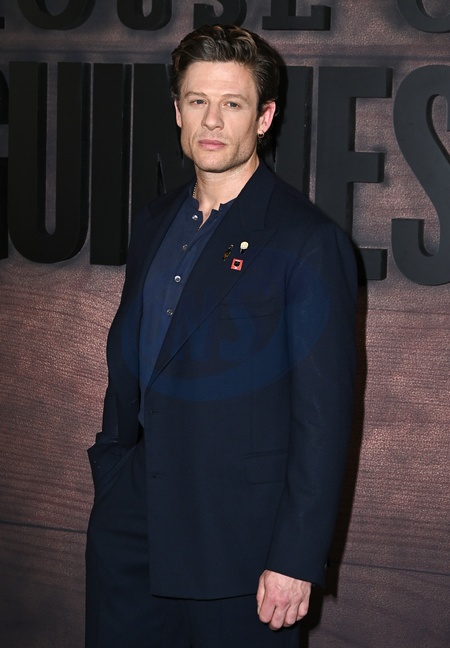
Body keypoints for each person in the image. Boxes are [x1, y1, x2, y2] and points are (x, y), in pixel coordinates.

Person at [85, 24, 357, 648]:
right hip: (131, 525)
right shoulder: (153, 222)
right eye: (198, 100)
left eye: (232, 103)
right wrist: (114, 469)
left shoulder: (307, 241)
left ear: (264, 118)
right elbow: (134, 361)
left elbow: (324, 418)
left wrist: (295, 556)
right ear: (177, 110)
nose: (212, 120)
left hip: (241, 546)